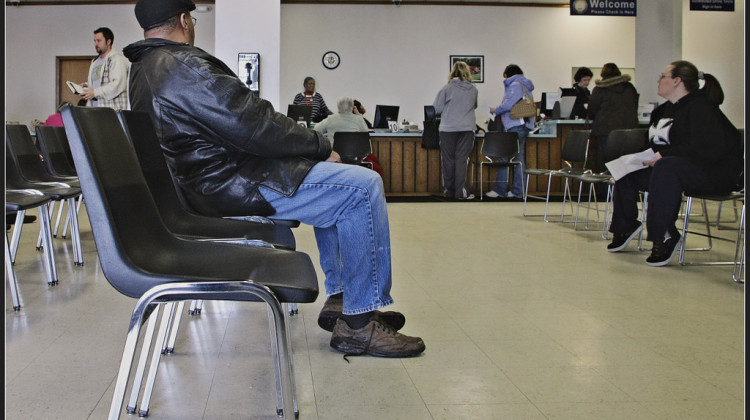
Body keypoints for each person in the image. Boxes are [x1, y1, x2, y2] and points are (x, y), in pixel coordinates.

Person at [124, 0, 424, 358]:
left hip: (203, 184)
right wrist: (317, 145)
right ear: (186, 21)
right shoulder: (182, 63)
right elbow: (253, 123)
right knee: (361, 186)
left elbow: (237, 127)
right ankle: (359, 324)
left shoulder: (143, 69)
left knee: (338, 185)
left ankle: (345, 298)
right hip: (228, 183)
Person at [606, 60, 742, 267]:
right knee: (627, 172)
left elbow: (707, 148)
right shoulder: (662, 111)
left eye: (663, 76)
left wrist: (664, 156)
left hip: (711, 173)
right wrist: (641, 158)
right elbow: (656, 145)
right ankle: (625, 225)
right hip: (673, 169)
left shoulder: (702, 109)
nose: (658, 81)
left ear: (677, 81)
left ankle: (664, 235)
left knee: (666, 166)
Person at [486, 64, 535, 199]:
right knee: (519, 159)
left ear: (507, 75)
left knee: (504, 157)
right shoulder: (524, 84)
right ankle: (518, 192)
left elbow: (507, 105)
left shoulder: (515, 85)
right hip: (522, 126)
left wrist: (494, 110)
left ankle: (500, 190)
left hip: (515, 126)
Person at [432, 61, 479, 201]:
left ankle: (449, 192)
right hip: (467, 129)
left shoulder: (446, 88)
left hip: (448, 129)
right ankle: (461, 193)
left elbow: (437, 109)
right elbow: (474, 106)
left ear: (453, 72)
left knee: (448, 160)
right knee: (461, 160)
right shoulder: (474, 89)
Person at [587, 63, 639, 173]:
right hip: (629, 131)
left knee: (608, 164)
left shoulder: (600, 88)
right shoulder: (629, 87)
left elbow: (592, 111)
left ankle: (607, 190)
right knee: (626, 164)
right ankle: (624, 189)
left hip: (606, 131)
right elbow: (635, 105)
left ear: (603, 74)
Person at [79, 27, 130, 110]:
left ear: (108, 41)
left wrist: (94, 92)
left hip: (112, 111)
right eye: (95, 41)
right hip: (95, 110)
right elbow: (101, 83)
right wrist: (85, 86)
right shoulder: (95, 62)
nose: (96, 44)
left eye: (99, 41)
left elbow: (118, 84)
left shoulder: (116, 59)